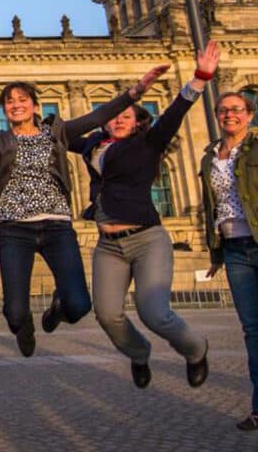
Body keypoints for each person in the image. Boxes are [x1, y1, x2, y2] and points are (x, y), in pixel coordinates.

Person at [0, 64, 167, 356]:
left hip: (58, 228)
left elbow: (96, 116)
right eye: (9, 102)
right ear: (4, 110)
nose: (16, 105)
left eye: (23, 100)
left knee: (79, 305)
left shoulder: (57, 132)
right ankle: (23, 325)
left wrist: (135, 93)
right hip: (15, 229)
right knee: (14, 313)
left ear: (36, 106)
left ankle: (59, 304)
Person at [71, 41, 219, 390]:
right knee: (107, 314)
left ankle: (196, 349)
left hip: (146, 239)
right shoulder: (93, 145)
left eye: (127, 116)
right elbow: (62, 134)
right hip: (108, 244)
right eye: (113, 117)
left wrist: (199, 77)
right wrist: (30, 115)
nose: (119, 120)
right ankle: (139, 354)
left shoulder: (148, 143)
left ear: (139, 123)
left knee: (154, 312)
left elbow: (175, 113)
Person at [200, 90, 258, 430]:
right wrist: (215, 251)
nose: (228, 115)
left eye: (236, 109)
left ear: (249, 114)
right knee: (252, 330)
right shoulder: (210, 156)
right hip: (234, 248)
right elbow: (214, 206)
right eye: (222, 110)